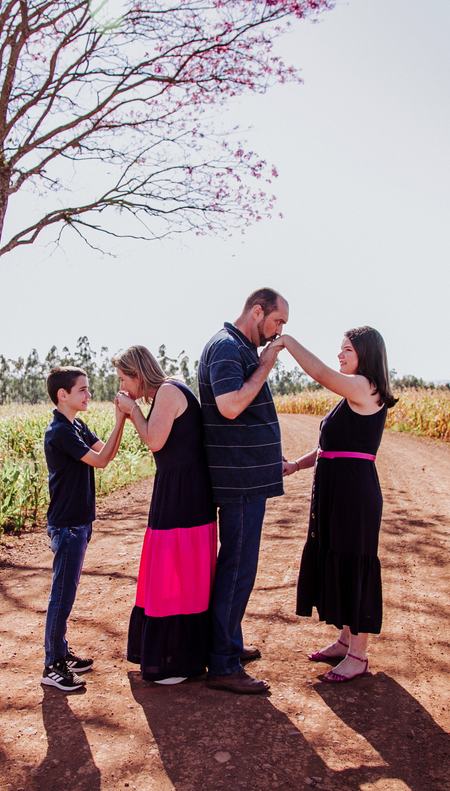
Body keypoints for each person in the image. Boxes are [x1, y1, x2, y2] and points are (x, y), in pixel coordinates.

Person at [278, 327, 398, 683]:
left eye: (347, 350)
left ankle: (358, 656)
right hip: (337, 488)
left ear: (365, 354)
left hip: (353, 491)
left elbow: (319, 373)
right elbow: (329, 447)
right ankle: (345, 641)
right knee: (338, 556)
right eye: (341, 349)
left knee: (353, 562)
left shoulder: (365, 386)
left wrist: (287, 341)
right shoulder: (352, 394)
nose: (340, 355)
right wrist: (296, 465)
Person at [197, 288, 289, 694]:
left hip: (247, 474)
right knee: (237, 569)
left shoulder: (238, 347)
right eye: (277, 321)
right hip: (238, 478)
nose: (279, 331)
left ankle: (229, 644)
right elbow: (230, 405)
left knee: (240, 567)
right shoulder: (226, 347)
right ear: (257, 311)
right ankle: (222, 663)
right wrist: (265, 366)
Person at [113, 346, 217, 685]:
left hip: (184, 491)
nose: (122, 387)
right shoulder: (166, 392)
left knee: (179, 568)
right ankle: (177, 653)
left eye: (124, 379)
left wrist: (132, 411)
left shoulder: (169, 391)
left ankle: (178, 659)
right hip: (176, 486)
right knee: (173, 567)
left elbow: (154, 441)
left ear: (138, 374)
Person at [41, 366, 129, 691]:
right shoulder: (60, 432)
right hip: (67, 525)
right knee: (62, 596)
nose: (88, 394)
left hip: (79, 523)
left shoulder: (76, 425)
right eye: (82, 390)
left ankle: (61, 653)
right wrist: (121, 419)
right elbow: (101, 460)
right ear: (63, 394)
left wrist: (122, 421)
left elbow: (105, 452)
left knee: (67, 592)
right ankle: (52, 665)